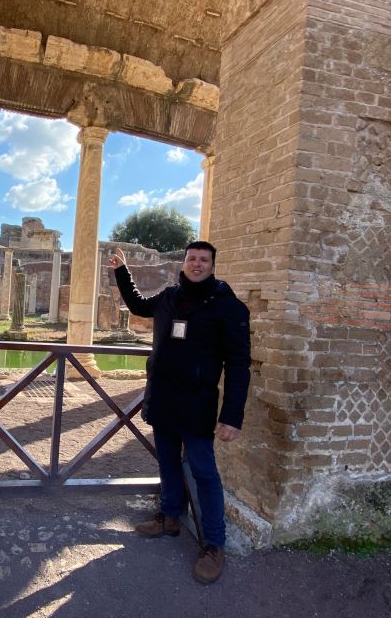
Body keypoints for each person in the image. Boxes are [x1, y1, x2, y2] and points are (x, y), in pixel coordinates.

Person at [109, 241, 251, 584]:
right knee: (167, 461)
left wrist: (232, 415)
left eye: (204, 260)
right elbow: (138, 306)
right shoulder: (169, 296)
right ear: (184, 263)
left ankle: (214, 543)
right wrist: (121, 271)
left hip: (197, 404)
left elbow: (238, 365)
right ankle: (170, 516)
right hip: (163, 398)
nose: (197, 264)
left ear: (213, 265)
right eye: (192, 259)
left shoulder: (228, 307)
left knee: (204, 471)